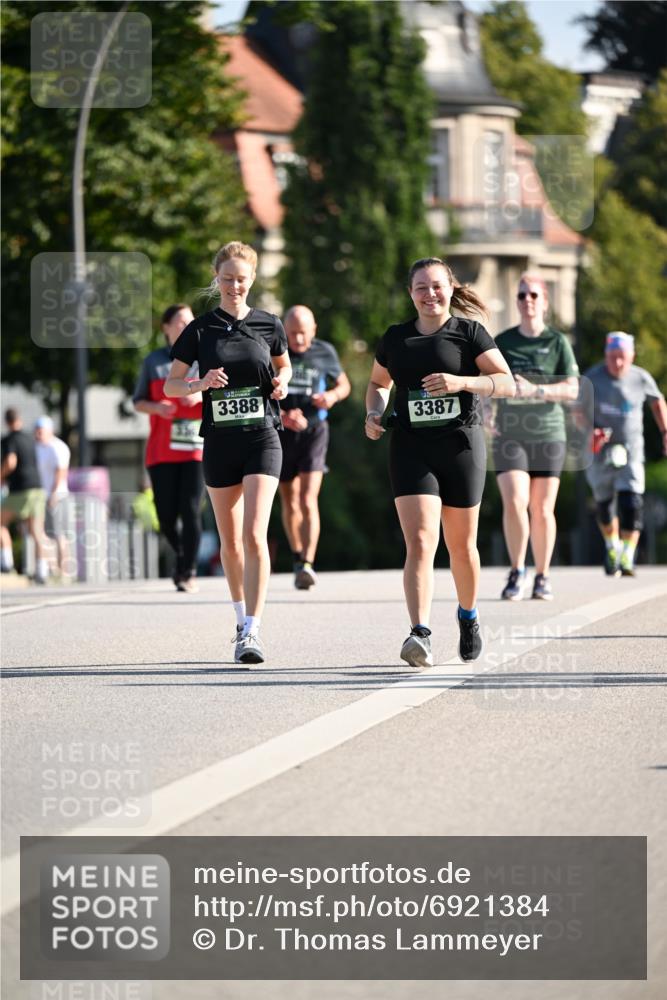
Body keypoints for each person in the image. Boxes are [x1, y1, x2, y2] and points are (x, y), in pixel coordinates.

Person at [364, 257, 514, 667]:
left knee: (461, 547)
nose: (430, 294)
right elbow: (378, 382)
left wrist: (460, 382)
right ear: (410, 293)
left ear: (450, 289)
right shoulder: (396, 338)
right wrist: (373, 412)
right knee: (420, 540)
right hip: (411, 448)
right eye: (421, 288)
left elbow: (505, 382)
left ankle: (468, 615)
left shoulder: (469, 333)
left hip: (460, 446)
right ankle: (420, 634)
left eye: (436, 286)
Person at [164, 241, 291, 664]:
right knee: (231, 542)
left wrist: (282, 383)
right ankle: (239, 618)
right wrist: (199, 384)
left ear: (252, 279)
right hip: (220, 441)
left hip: (262, 436)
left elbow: (284, 364)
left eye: (241, 279)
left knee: (255, 534)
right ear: (216, 279)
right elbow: (171, 385)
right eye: (227, 279)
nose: (234, 286)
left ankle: (253, 629)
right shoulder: (200, 330)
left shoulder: (269, 324)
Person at [493, 274, 580, 601]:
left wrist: (536, 390)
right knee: (515, 501)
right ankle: (518, 571)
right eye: (521, 295)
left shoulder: (557, 342)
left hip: (548, 433)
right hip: (510, 434)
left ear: (544, 302)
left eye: (533, 295)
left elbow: (572, 389)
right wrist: (485, 411)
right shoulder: (503, 342)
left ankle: (543, 575)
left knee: (542, 509)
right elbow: (488, 382)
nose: (527, 300)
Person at [133, 304, 205, 594]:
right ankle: (182, 557)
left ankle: (188, 571)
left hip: (195, 449)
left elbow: (220, 395)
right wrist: (157, 407)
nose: (186, 327)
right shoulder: (154, 362)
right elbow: (138, 401)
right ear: (166, 328)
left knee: (191, 510)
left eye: (190, 321)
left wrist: (198, 397)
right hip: (161, 452)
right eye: (180, 322)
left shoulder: (204, 359)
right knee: (165, 516)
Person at [278, 304, 351, 589]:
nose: (298, 339)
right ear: (284, 330)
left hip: (314, 431)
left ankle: (308, 563)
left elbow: (344, 385)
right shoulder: (275, 351)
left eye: (303, 333)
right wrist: (282, 415)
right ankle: (297, 556)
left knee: (308, 498)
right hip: (282, 431)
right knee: (290, 500)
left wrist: (332, 396)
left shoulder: (324, 351)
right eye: (292, 333)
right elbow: (261, 390)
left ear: (314, 330)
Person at [584, 331, 667, 577]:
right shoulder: (592, 378)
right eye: (612, 357)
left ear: (632, 356)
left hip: (632, 450)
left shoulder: (641, 377)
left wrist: (665, 431)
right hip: (600, 451)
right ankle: (612, 546)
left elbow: (657, 402)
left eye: (622, 357)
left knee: (631, 503)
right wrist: (589, 431)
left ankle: (628, 556)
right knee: (604, 505)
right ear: (605, 355)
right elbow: (577, 411)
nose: (617, 363)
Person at [1, 408, 48, 583]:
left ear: (7, 422)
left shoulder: (9, 440)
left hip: (20, 490)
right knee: (37, 532)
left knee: (0, 523)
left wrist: (1, 476)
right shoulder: (31, 438)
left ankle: (6, 563)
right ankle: (42, 571)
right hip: (37, 488)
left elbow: (11, 461)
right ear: (19, 419)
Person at [34, 415, 72, 579]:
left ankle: (64, 572)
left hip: (57, 496)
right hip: (40, 497)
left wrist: (54, 495)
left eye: (41, 431)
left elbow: (61, 472)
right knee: (42, 534)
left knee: (59, 534)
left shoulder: (58, 447)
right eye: (36, 431)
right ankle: (52, 569)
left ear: (49, 431)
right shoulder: (37, 448)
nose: (38, 434)